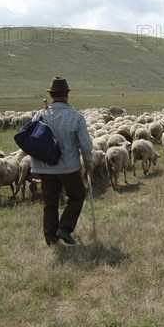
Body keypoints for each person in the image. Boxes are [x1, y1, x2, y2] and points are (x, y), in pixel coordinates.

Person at [31, 77, 94, 246]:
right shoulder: (75, 116)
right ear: (67, 95)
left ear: (52, 95)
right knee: (77, 195)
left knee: (50, 202)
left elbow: (32, 138)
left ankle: (50, 239)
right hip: (68, 167)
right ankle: (64, 228)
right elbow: (86, 144)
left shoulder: (40, 115)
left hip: (45, 167)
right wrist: (89, 163)